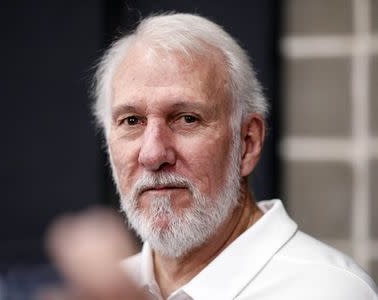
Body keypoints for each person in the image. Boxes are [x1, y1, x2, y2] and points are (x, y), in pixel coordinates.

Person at [48, 12, 377, 300]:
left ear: (247, 143)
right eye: (131, 121)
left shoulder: (329, 290)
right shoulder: (108, 288)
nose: (152, 154)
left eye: (187, 118)